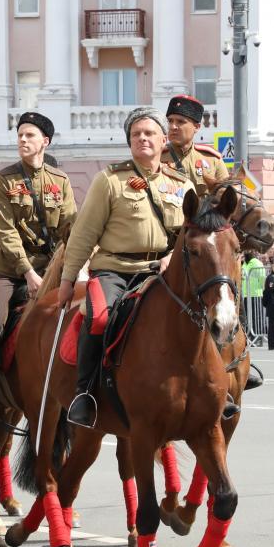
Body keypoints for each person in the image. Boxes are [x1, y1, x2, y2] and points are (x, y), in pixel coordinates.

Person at [58, 107, 194, 428]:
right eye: (136, 134)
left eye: (149, 133)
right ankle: (86, 394)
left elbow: (191, 234)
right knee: (99, 318)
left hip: (161, 270)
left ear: (163, 140)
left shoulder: (182, 185)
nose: (142, 138)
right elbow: (83, 234)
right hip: (115, 270)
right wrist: (67, 280)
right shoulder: (110, 181)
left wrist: (173, 258)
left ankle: (218, 384)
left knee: (203, 310)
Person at [0, 112, 76, 438]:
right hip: (12, 273)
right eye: (19, 135)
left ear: (45, 141)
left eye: (29, 135)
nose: (22, 140)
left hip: (52, 271)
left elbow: (70, 228)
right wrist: (28, 272)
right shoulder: (4, 180)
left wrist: (73, 267)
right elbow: (6, 232)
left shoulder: (60, 182)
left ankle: (81, 398)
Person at [163, 94, 229, 192]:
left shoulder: (212, 159)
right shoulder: (157, 157)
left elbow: (225, 197)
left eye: (180, 122)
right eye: (170, 121)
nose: (173, 127)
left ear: (197, 127)